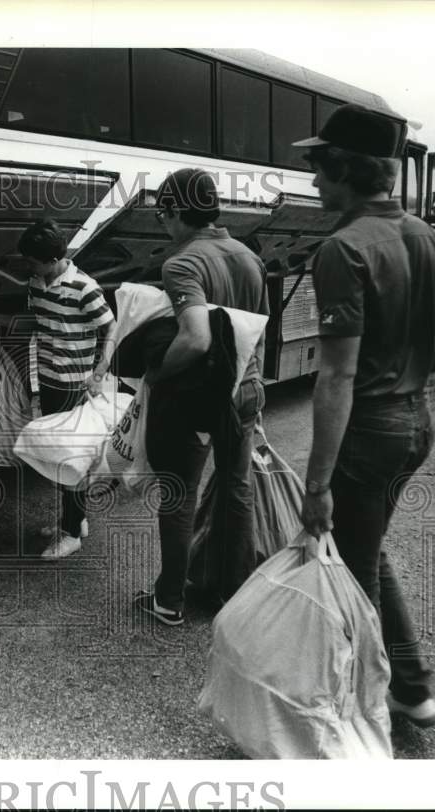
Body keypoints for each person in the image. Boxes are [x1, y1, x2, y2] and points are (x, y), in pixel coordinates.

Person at [293, 103, 435, 727]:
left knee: (354, 573)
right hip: (417, 428)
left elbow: (338, 375)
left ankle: (360, 712)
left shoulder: (343, 249)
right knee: (363, 553)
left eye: (319, 168)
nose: (314, 180)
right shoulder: (433, 241)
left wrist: (315, 484)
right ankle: (412, 688)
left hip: (368, 432)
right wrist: (404, 343)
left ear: (346, 169)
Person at [134, 168, 269, 626]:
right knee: (236, 485)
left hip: (198, 395)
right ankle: (234, 596)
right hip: (245, 388)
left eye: (161, 215)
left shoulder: (182, 263)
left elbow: (195, 339)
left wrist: (154, 374)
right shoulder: (249, 257)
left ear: (174, 211)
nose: (162, 225)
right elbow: (262, 329)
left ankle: (169, 599)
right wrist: (253, 386)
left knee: (178, 491)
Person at [19, 219, 115, 559]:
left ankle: (72, 534)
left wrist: (100, 371)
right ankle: (75, 518)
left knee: (70, 458)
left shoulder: (84, 287)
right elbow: (39, 320)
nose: (28, 267)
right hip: (47, 379)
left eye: (32, 261)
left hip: (74, 385)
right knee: (58, 455)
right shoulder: (36, 281)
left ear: (49, 259)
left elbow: (112, 328)